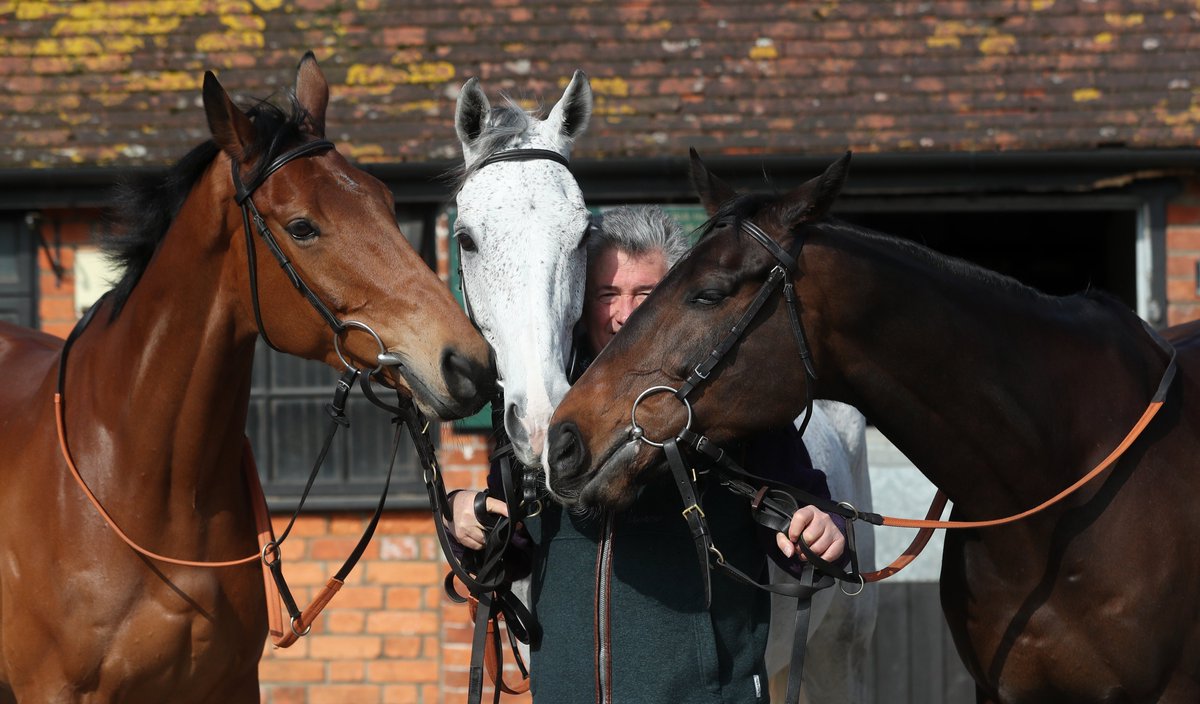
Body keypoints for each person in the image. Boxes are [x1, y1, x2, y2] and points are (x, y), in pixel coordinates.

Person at [449, 206, 846, 703]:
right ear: (581, 304)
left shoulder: (731, 401)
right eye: (607, 294)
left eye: (645, 295)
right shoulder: (550, 407)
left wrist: (822, 529)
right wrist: (472, 520)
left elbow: (809, 523)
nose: (624, 315)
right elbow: (514, 552)